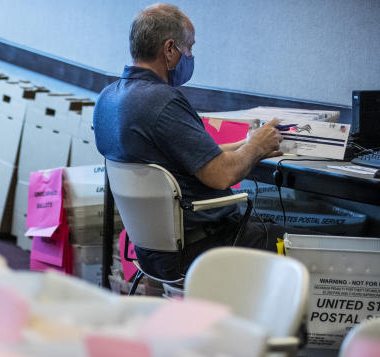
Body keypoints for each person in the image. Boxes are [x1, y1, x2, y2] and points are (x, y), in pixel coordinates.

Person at [94, 3, 284, 281]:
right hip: (204, 247)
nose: (190, 56)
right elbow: (221, 174)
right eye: (189, 48)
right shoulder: (163, 101)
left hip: (151, 251)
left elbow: (184, 159)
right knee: (299, 242)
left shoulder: (108, 99)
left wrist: (248, 142)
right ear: (169, 49)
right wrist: (256, 149)